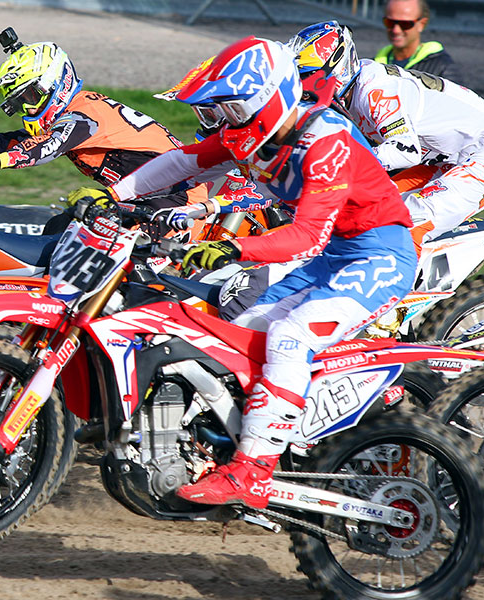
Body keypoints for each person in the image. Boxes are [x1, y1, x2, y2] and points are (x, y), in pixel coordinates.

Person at [71, 37, 417, 508]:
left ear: (266, 98)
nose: (226, 120)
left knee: (290, 337)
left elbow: (306, 237)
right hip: (334, 255)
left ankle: (253, 471)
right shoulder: (256, 132)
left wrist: (232, 247)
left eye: (231, 108)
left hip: (378, 257)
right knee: (235, 338)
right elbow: (180, 163)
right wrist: (117, 198)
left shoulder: (325, 141)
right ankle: (237, 443)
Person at [0, 29, 210, 219]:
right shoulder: (76, 111)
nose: (26, 107)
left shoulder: (83, 116)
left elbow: (43, 148)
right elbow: (13, 142)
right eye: (19, 100)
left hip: (177, 201)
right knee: (63, 232)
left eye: (30, 95)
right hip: (147, 197)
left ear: (55, 83)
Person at [291, 20, 484, 253]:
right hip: (448, 157)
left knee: (409, 222)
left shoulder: (374, 91)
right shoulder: (352, 90)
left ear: (337, 66)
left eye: (307, 76)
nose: (302, 87)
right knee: (365, 210)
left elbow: (405, 150)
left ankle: (396, 287)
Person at [374, 0, 460, 82]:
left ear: (422, 24)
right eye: (390, 22)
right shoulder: (373, 66)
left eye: (405, 24)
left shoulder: (443, 68)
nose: (396, 30)